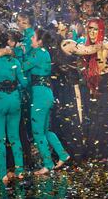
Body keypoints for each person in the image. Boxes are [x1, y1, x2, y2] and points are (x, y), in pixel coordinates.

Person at [62, 19, 108, 159]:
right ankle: (97, 147)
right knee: (94, 117)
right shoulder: (91, 44)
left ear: (100, 31)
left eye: (95, 30)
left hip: (105, 83)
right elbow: (79, 51)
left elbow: (102, 62)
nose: (92, 32)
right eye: (90, 29)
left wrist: (101, 48)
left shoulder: (105, 45)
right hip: (91, 83)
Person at [22, 29, 70, 175]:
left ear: (40, 41)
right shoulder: (44, 52)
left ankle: (47, 164)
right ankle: (63, 155)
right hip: (46, 94)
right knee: (45, 131)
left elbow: (23, 67)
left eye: (33, 38)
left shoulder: (37, 53)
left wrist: (22, 51)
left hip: (40, 96)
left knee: (37, 133)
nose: (31, 40)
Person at [0, 29, 28, 183]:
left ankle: (2, 173)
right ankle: (20, 170)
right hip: (14, 100)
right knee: (15, 136)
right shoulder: (14, 61)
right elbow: (24, 82)